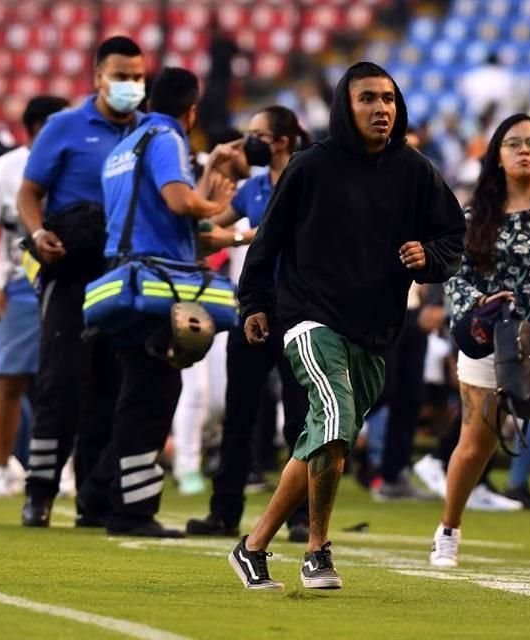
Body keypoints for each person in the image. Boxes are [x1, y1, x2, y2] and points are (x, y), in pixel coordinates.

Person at [229, 61, 465, 590]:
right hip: (309, 317)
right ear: (344, 105)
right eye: (368, 99)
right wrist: (256, 303)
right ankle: (317, 549)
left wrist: (426, 256)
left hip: (374, 329)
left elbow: (454, 236)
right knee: (333, 420)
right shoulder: (311, 166)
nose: (382, 109)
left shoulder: (415, 169)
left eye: (389, 99)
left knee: (324, 438)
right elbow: (268, 241)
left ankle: (252, 546)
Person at [429, 113, 530, 575]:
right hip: (493, 334)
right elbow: (455, 279)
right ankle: (448, 528)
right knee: (475, 443)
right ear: (497, 156)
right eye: (515, 144)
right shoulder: (472, 215)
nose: (526, 151)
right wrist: (479, 302)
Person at [95, 66, 233, 537]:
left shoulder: (122, 147)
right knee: (153, 396)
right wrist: (213, 205)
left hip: (122, 278)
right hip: (155, 285)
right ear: (190, 110)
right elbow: (177, 201)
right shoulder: (166, 139)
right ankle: (132, 511)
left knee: (133, 391)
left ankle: (110, 496)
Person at [17, 36, 145, 527]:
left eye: (137, 77)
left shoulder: (150, 133)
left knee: (112, 387)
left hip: (123, 276)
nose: (130, 85)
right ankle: (40, 491)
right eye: (121, 75)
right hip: (70, 272)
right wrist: (38, 231)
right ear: (97, 76)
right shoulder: (64, 127)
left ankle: (95, 499)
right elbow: (30, 192)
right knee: (61, 384)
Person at [186, 105, 314, 540]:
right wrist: (212, 174)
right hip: (256, 308)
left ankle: (301, 516)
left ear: (281, 140)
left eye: (256, 134)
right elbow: (203, 228)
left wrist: (236, 236)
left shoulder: (307, 179)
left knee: (299, 417)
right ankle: (224, 512)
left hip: (300, 310)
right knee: (239, 414)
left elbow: (295, 236)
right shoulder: (253, 187)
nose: (248, 142)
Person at [0, 96, 70, 497]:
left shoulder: (76, 161)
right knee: (9, 378)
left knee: (68, 379)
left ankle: (66, 469)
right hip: (22, 282)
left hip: (72, 278)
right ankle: (0, 465)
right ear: (36, 128)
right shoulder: (3, 169)